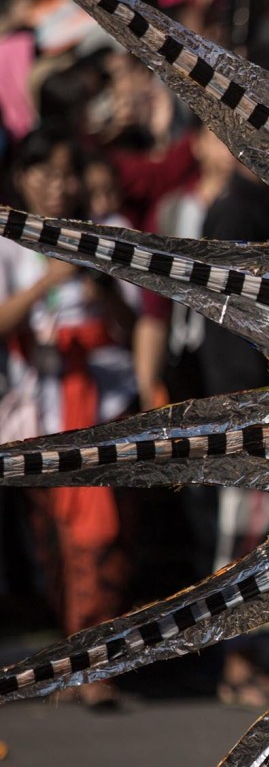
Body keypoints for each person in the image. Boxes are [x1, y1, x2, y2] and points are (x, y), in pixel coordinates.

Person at [0, 129, 137, 707]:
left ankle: (96, 664)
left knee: (102, 537)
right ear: (22, 178)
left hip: (104, 402)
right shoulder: (7, 243)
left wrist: (95, 282)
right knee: (53, 542)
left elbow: (134, 324)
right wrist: (47, 286)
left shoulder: (107, 233)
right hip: (41, 405)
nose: (56, 186)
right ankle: (70, 658)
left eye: (64, 174)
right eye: (43, 173)